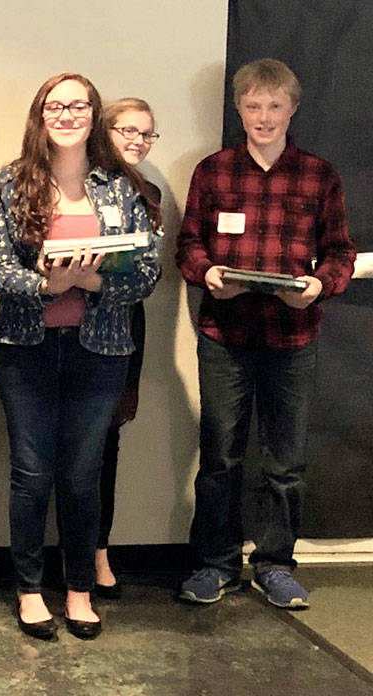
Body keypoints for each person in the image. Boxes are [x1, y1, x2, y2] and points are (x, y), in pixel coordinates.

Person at [0, 73, 160, 641]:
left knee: (83, 476)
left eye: (78, 105)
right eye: (55, 106)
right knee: (31, 476)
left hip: (102, 350)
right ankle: (30, 591)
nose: (66, 114)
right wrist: (48, 285)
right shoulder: (9, 182)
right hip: (26, 350)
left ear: (93, 113)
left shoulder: (120, 185)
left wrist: (94, 281)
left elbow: (147, 271)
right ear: (39, 115)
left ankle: (79, 591)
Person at [176, 58, 354, 610]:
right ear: (239, 109)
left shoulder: (319, 176)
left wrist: (318, 287)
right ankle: (215, 564)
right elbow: (188, 246)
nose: (264, 116)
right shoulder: (213, 171)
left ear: (292, 109)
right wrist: (207, 274)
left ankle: (275, 564)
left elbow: (341, 254)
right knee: (220, 457)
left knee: (285, 463)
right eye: (253, 106)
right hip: (223, 334)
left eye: (274, 106)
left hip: (293, 338)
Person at [94, 97, 162, 598]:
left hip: (123, 328)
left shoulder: (150, 194)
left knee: (106, 446)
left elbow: (148, 274)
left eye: (147, 134)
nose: (137, 141)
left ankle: (98, 552)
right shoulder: (75, 185)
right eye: (128, 130)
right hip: (62, 325)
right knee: (53, 453)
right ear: (105, 131)